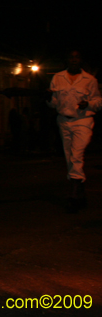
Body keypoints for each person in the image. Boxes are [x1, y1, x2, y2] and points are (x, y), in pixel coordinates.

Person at [47, 50, 101, 213]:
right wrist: (48, 98)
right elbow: (54, 103)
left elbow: (98, 101)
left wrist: (89, 104)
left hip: (82, 121)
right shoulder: (58, 78)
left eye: (77, 57)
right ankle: (80, 192)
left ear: (81, 60)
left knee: (77, 154)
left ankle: (74, 194)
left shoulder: (89, 80)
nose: (74, 60)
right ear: (67, 60)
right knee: (70, 156)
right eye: (71, 57)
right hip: (64, 120)